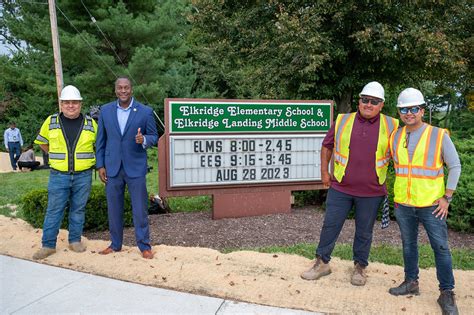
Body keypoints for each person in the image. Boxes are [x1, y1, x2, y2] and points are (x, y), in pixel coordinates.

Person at [301, 81, 399, 286]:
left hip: (372, 191)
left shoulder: (393, 125)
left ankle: (360, 268)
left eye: (374, 101)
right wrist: (324, 173)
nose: (369, 104)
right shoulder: (343, 120)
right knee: (330, 225)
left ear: (381, 105)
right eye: (365, 100)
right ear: (359, 101)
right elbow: (327, 146)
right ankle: (322, 263)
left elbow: (402, 157)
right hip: (340, 188)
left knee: (364, 231)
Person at [388, 88, 461, 315]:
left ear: (422, 110)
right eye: (404, 109)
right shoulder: (396, 136)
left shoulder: (439, 135)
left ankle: (447, 293)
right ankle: (411, 282)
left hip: (432, 205)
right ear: (399, 112)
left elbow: (455, 166)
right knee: (409, 245)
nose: (409, 113)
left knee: (441, 248)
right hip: (404, 204)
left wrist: (447, 197)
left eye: (413, 109)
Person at [32, 85, 98, 260]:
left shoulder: (91, 124)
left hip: (83, 175)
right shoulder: (51, 121)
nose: (71, 105)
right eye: (67, 102)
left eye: (74, 102)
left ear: (80, 104)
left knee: (78, 209)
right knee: (54, 210)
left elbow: (98, 146)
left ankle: (75, 240)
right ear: (61, 104)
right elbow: (42, 143)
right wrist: (56, 157)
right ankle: (48, 245)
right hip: (58, 175)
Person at [96, 76, 158, 259]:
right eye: (120, 88)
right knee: (114, 208)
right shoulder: (105, 111)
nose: (123, 91)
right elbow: (101, 141)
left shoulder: (145, 112)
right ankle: (115, 245)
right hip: (112, 167)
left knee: (140, 209)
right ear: (115, 90)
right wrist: (100, 165)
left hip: (136, 167)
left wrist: (144, 139)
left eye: (126, 88)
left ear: (132, 89)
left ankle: (144, 246)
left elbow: (154, 136)